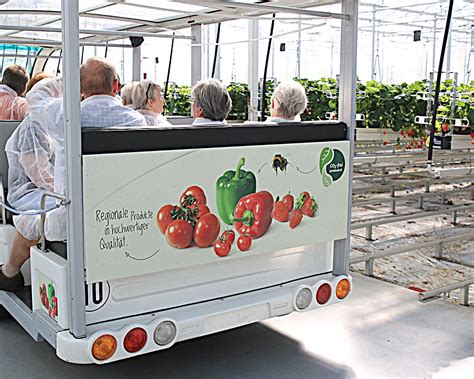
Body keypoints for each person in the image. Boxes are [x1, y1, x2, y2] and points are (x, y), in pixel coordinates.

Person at [0, 57, 146, 291]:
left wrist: (68, 80)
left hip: (72, 215)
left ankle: (10, 272)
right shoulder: (138, 122)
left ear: (78, 89)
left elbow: (35, 96)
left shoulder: (63, 114)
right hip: (124, 212)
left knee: (30, 220)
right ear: (116, 86)